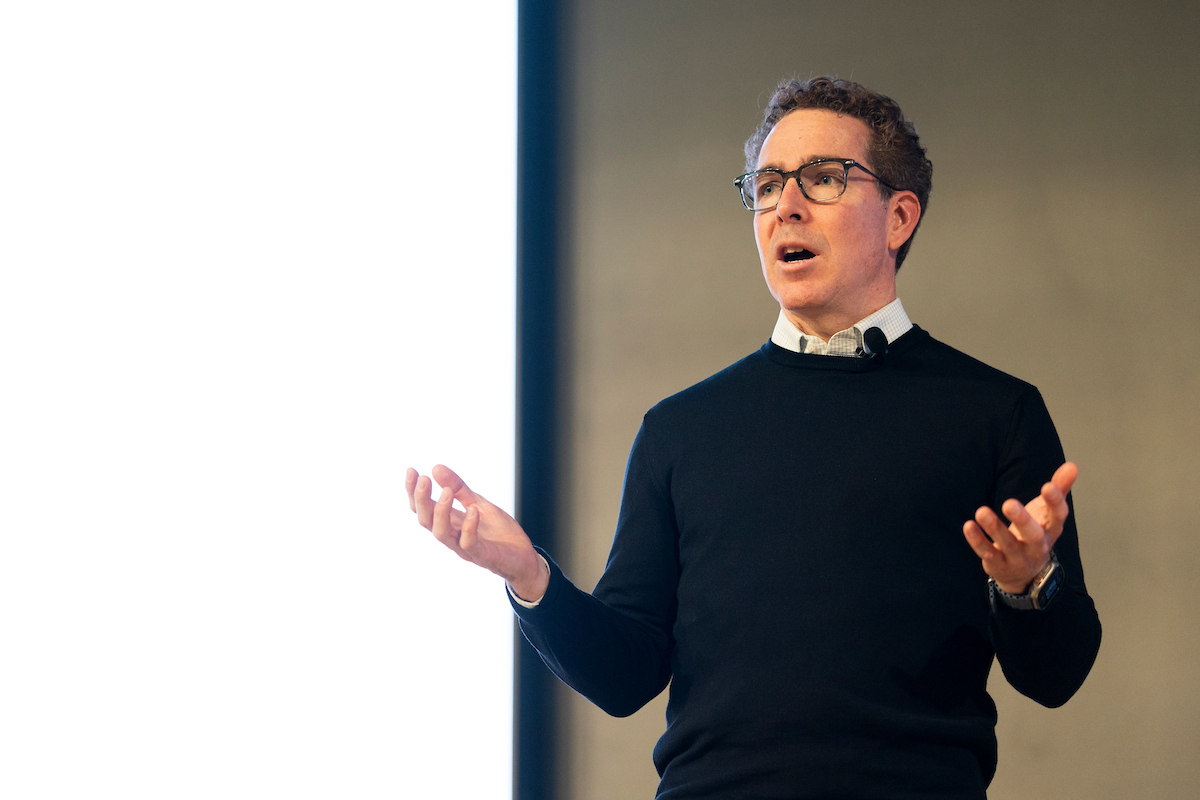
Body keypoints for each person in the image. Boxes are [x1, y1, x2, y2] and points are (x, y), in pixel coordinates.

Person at [406, 77, 1101, 799]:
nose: (786, 206)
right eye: (767, 186)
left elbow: (1057, 677)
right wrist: (528, 576)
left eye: (823, 179)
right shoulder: (681, 430)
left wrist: (1027, 585)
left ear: (899, 217)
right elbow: (625, 676)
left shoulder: (994, 413)